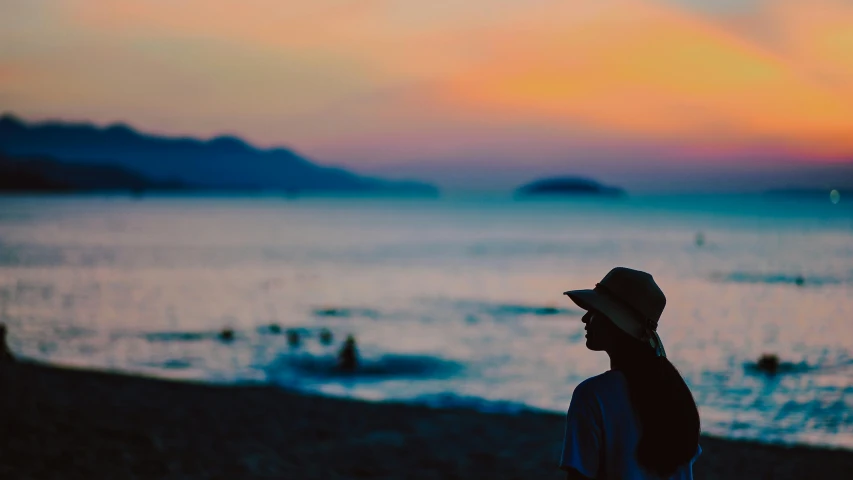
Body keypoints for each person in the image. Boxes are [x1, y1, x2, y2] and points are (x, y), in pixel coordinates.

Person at [560, 267, 700, 480]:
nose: (584, 318)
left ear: (614, 322)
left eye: (595, 311)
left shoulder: (592, 396)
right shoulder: (674, 395)